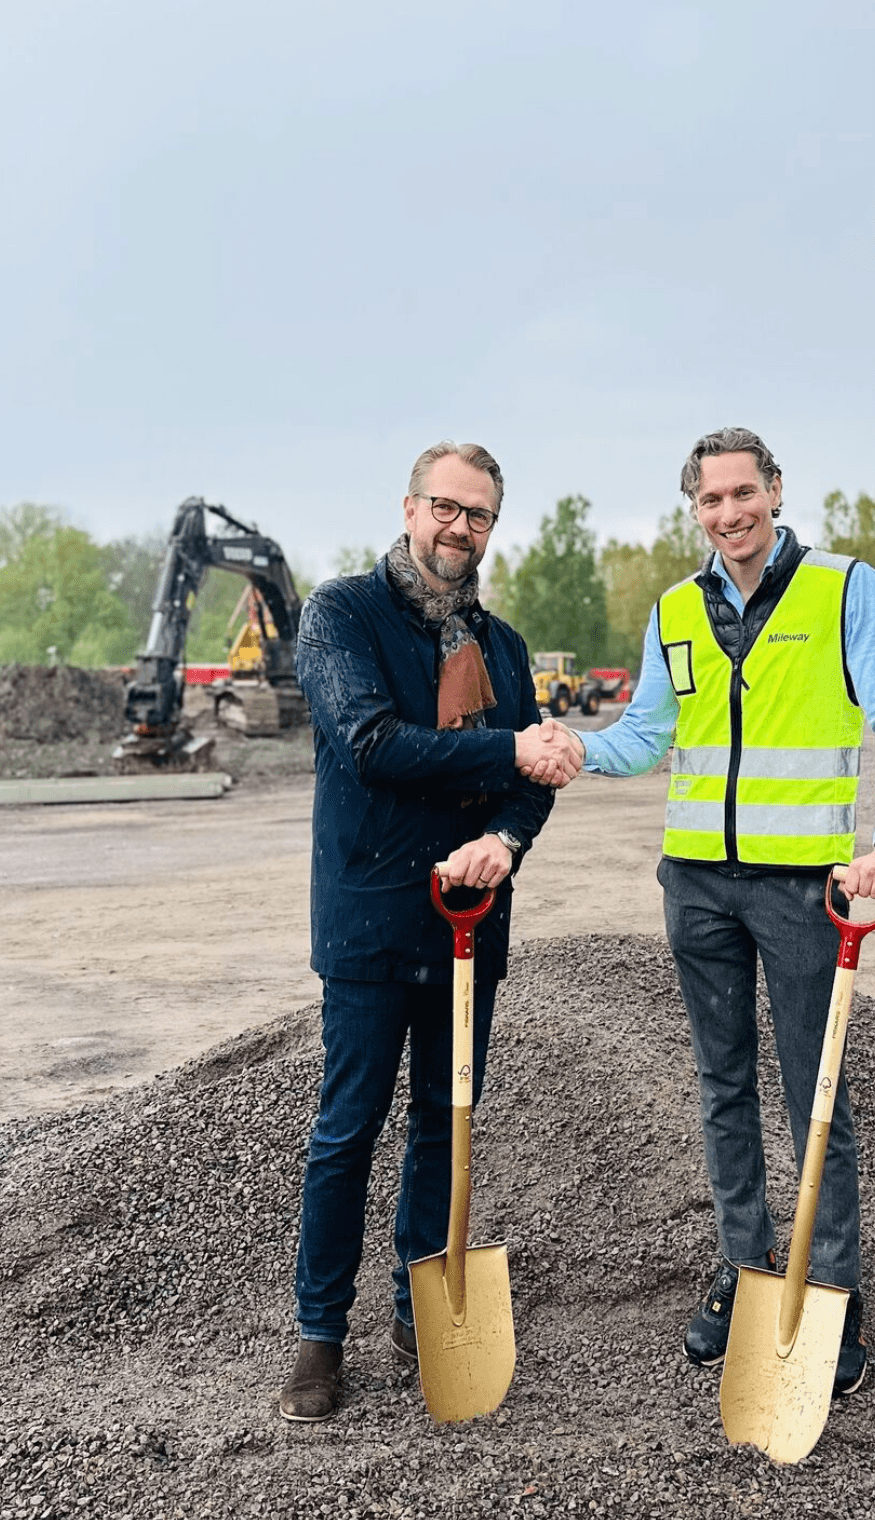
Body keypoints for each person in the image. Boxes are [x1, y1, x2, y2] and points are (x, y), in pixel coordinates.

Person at [527, 426, 875, 1396]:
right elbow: (647, 737)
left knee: (816, 1094)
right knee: (721, 1085)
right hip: (697, 884)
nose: (729, 514)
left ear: (775, 491)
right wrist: (577, 746)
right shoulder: (675, 609)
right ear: (694, 510)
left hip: (805, 889)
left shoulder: (844, 588)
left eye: (742, 493)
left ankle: (830, 1290)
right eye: (709, 501)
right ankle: (744, 1267)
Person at [279, 440, 578, 1422]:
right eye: (445, 506)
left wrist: (503, 835)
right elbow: (369, 743)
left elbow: (529, 783)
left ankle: (419, 1312)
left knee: (444, 1129)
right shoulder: (341, 615)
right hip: (370, 921)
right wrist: (507, 748)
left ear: (493, 526)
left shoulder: (501, 646)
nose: (459, 527)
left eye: (478, 514)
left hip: (467, 929)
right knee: (346, 1130)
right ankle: (320, 1335)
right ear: (410, 507)